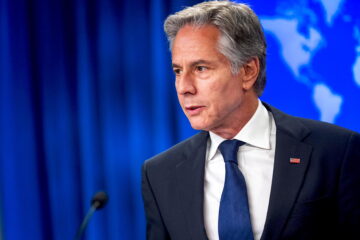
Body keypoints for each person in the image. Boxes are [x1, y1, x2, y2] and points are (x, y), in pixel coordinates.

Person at [141, 1, 360, 239]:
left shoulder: (336, 151)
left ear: (247, 71)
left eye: (201, 68)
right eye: (178, 71)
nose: (184, 87)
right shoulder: (160, 174)